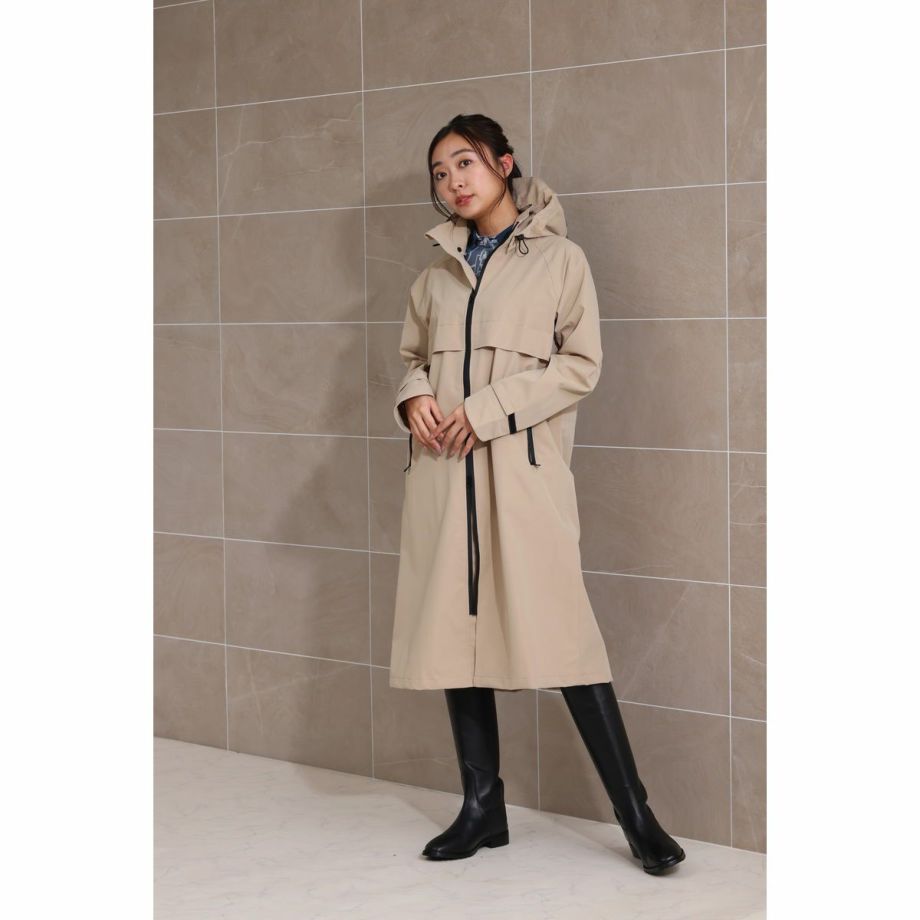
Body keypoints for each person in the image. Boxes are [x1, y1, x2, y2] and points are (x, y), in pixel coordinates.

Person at [390, 113, 685, 874]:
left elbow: (580, 365)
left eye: (465, 163)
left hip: (521, 476)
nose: (453, 181)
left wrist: (486, 412)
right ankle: (481, 809)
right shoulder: (433, 277)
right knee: (454, 636)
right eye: (439, 173)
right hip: (443, 475)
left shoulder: (560, 260)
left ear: (504, 163)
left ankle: (637, 817)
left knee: (566, 637)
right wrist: (412, 396)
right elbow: (413, 358)